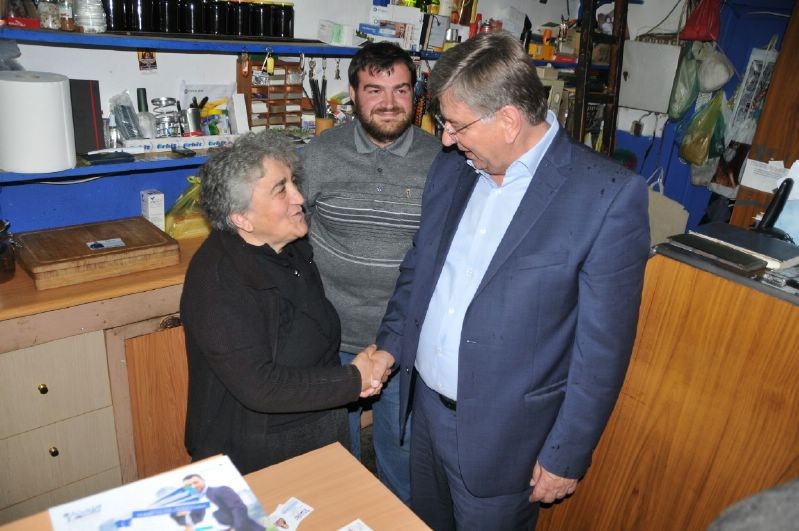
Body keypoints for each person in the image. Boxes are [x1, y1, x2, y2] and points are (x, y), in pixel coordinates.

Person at [375, 31, 650, 529]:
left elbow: (602, 351)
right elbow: (419, 270)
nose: (445, 139)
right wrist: (390, 346)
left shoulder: (606, 196)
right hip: (427, 415)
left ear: (507, 120)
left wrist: (567, 452)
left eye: (456, 125)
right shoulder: (452, 169)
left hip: (506, 442)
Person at [180, 130, 393, 477]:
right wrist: (353, 380)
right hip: (257, 456)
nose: (300, 198)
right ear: (241, 218)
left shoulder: (289, 247)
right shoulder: (218, 282)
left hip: (315, 431)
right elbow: (260, 386)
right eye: (281, 190)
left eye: (294, 182)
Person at [300, 41, 440, 503]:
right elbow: (290, 230)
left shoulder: (441, 160)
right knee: (334, 456)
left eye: (401, 90)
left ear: (415, 94)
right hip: (331, 340)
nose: (389, 103)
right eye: (375, 90)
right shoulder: (320, 154)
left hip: (403, 341)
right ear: (354, 95)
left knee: (401, 456)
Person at [171, 474, 264, 531]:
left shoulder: (220, 490)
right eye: (188, 485)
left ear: (203, 480)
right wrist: (184, 514)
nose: (193, 486)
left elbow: (239, 508)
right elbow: (195, 521)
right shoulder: (193, 504)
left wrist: (238, 528)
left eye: (195, 482)